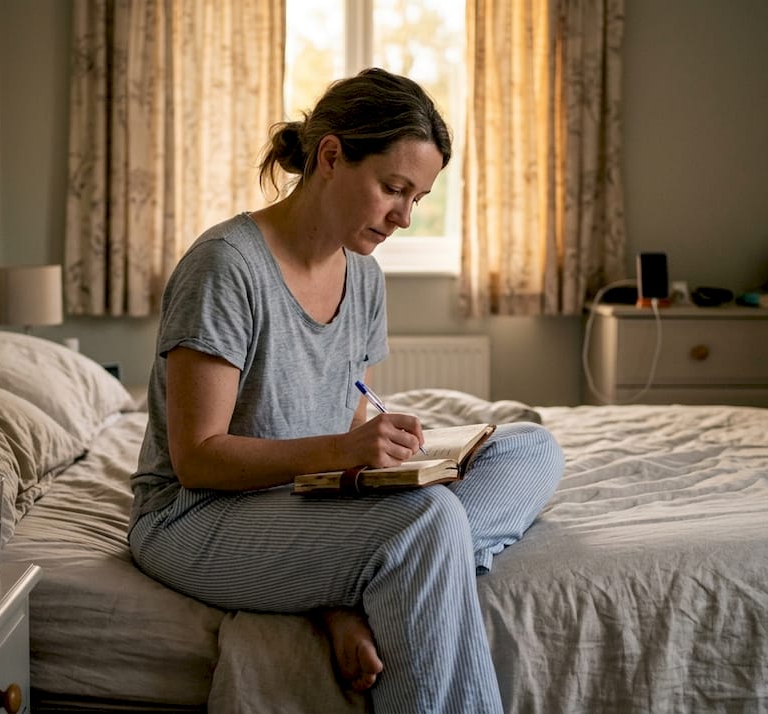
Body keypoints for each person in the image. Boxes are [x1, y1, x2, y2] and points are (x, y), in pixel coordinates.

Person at [127, 67, 565, 713]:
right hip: (198, 515)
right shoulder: (226, 265)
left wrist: (385, 449)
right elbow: (198, 459)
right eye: (394, 189)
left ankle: (352, 588)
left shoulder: (362, 276)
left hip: (309, 496)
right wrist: (344, 451)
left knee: (528, 448)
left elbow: (349, 408)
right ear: (330, 156)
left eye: (418, 198)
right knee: (428, 519)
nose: (405, 217)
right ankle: (373, 576)